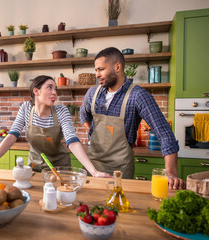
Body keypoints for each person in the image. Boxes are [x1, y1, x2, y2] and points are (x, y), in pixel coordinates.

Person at [79, 47, 185, 189]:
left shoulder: (138, 96)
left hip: (120, 170)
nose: (97, 74)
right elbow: (83, 116)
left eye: (101, 69)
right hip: (92, 168)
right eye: (96, 70)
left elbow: (164, 133)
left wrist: (171, 173)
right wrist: (92, 132)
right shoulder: (92, 93)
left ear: (117, 67)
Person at [0, 75, 111, 178]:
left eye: (56, 89)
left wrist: (94, 172)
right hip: (35, 167)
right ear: (36, 91)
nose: (54, 93)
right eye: (50, 88)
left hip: (60, 169)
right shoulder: (25, 109)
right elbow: (11, 137)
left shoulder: (62, 111)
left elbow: (72, 141)